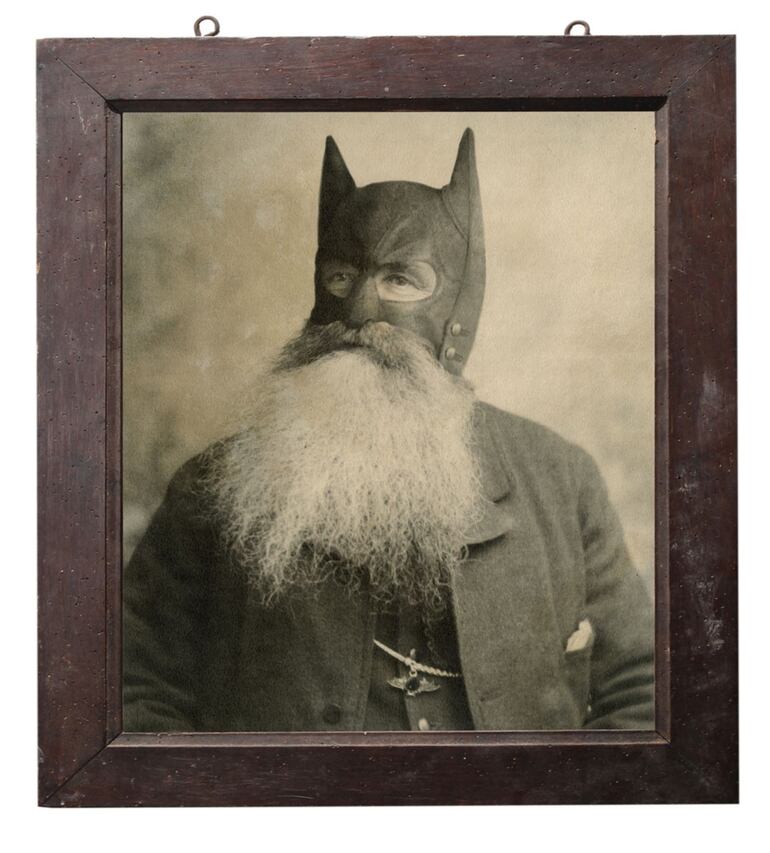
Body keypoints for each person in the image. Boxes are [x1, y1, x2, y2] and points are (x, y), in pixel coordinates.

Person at [123, 128, 654, 732]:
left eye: (399, 280)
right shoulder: (210, 488)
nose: (357, 314)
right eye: (340, 278)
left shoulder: (561, 479)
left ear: (458, 307)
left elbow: (641, 691)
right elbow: (134, 692)